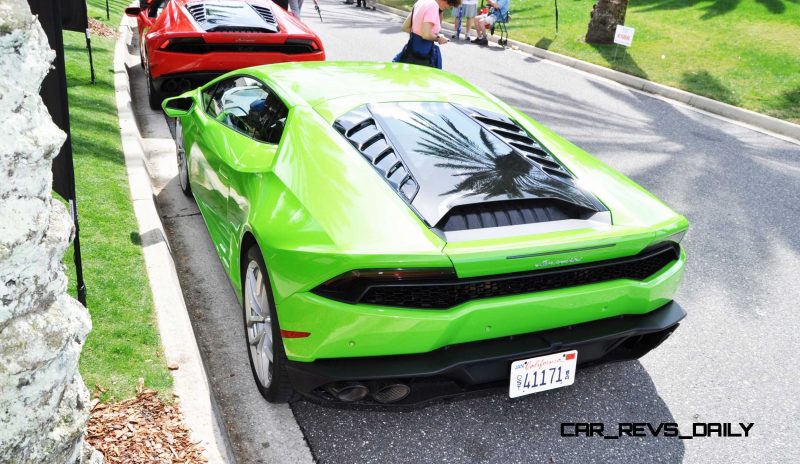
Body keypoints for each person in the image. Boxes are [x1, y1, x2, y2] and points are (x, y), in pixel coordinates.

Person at [393, 0, 461, 69]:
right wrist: (439, 38)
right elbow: (426, 35)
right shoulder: (433, 6)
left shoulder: (421, 2)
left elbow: (405, 27)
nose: (448, 7)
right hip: (424, 55)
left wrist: (419, 34)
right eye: (450, 4)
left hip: (411, 50)